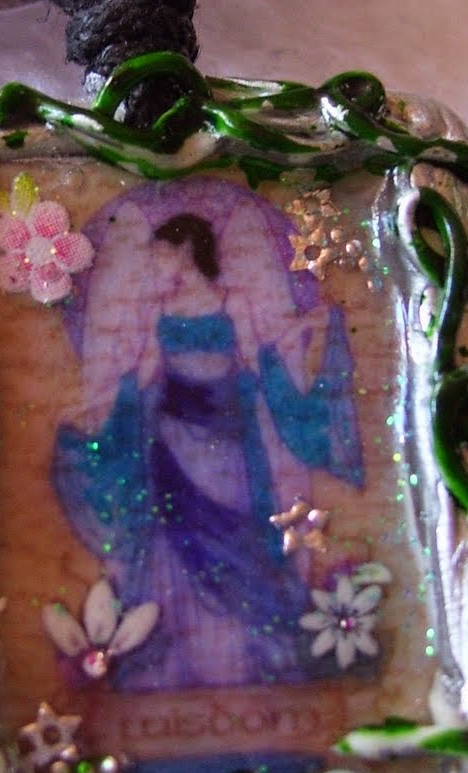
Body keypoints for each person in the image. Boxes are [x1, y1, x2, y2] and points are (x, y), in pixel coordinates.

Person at [52, 181, 364, 692]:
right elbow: (144, 374)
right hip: (171, 445)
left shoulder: (230, 301)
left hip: (228, 448)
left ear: (184, 252)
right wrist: (103, 407)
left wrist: (302, 336)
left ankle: (240, 662)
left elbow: (257, 363)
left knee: (234, 540)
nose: (156, 265)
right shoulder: (160, 312)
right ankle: (178, 663)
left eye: (161, 255)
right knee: (175, 546)